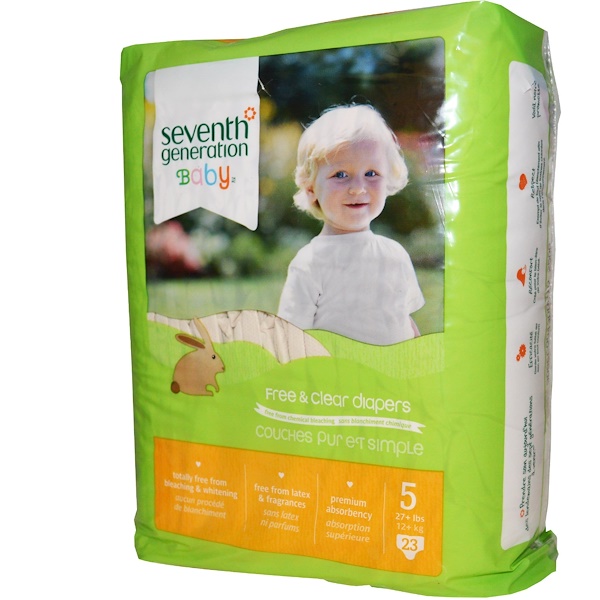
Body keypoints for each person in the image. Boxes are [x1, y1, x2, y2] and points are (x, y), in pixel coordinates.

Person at [277, 104, 424, 345]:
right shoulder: (310, 262)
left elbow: (404, 321)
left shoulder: (395, 255)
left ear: (388, 178)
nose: (358, 188)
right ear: (311, 188)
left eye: (371, 173)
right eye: (341, 175)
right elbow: (290, 337)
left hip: (392, 370)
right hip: (336, 369)